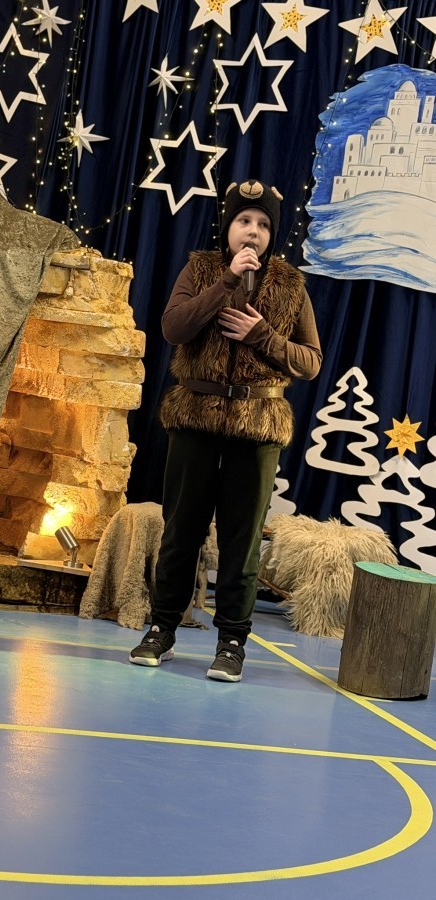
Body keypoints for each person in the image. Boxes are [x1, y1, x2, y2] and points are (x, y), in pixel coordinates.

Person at [129, 178, 322, 681]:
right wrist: (225, 284)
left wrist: (262, 336)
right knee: (181, 531)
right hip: (196, 417)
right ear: (228, 228)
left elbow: (310, 361)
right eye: (243, 221)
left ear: (272, 235)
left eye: (262, 225)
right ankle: (162, 629)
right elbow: (173, 328)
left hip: (257, 425)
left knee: (242, 541)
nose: (252, 232)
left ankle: (232, 641)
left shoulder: (292, 286)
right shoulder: (200, 270)